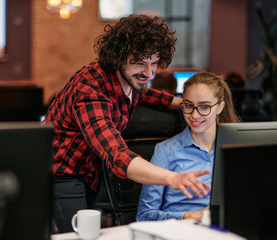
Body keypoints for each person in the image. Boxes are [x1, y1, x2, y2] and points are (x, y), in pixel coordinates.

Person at [42, 15, 210, 233]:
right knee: (79, 235)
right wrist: (173, 178)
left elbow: (146, 94)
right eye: (140, 63)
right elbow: (117, 155)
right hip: (61, 171)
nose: (149, 73)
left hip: (89, 169)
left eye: (154, 63)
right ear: (119, 56)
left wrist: (184, 104)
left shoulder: (127, 78)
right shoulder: (90, 92)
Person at [137, 72, 241, 222]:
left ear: (220, 107)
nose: (194, 115)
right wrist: (191, 216)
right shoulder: (166, 150)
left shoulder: (236, 147)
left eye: (204, 107)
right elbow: (144, 216)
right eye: (188, 106)